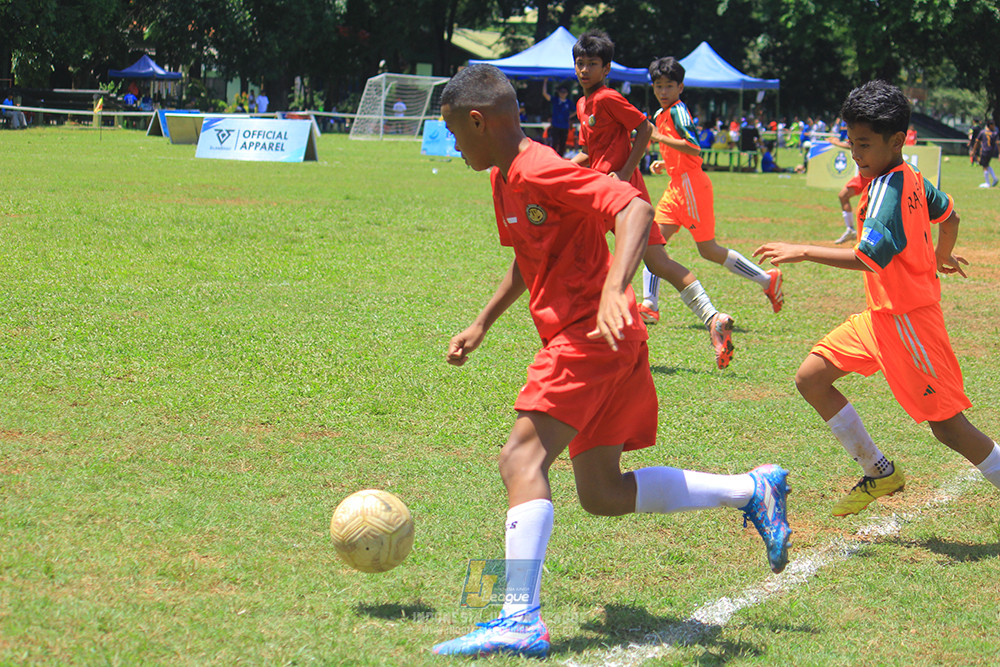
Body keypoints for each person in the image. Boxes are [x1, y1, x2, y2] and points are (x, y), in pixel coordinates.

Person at [431, 62, 791, 660]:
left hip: (592, 336)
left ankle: (519, 619)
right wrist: (482, 322)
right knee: (600, 492)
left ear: (478, 121)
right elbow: (528, 258)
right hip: (600, 337)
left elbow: (634, 210)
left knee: (520, 457)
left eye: (453, 131)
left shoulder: (539, 167)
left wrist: (612, 288)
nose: (453, 145)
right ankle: (751, 489)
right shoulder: (504, 178)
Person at [754, 80, 1000, 518]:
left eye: (864, 144)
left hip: (908, 322)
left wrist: (803, 250)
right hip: (879, 318)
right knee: (811, 378)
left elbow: (868, 257)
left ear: (897, 140)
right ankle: (879, 471)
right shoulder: (909, 176)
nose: (855, 153)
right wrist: (940, 254)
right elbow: (950, 216)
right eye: (851, 141)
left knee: (949, 428)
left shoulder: (888, 188)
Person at [570, 31, 739, 369]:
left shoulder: (607, 98)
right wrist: (559, 169)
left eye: (593, 64)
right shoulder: (583, 105)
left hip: (618, 194)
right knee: (659, 263)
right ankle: (713, 318)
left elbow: (644, 129)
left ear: (606, 69)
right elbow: (590, 153)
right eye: (580, 63)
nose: (585, 70)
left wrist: (624, 171)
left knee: (578, 253)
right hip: (614, 192)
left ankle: (590, 335)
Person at [644, 57, 784, 331]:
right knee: (652, 244)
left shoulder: (678, 111)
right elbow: (679, 149)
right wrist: (666, 161)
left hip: (691, 188)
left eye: (669, 86)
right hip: (676, 186)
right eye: (658, 86)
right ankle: (649, 306)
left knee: (708, 250)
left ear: (680, 87)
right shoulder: (661, 114)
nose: (663, 91)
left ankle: (767, 279)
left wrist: (658, 139)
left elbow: (694, 147)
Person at [541, 79, 573, 157]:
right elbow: (545, 94)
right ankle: (553, 156)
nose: (563, 94)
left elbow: (576, 110)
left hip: (564, 126)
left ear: (567, 93)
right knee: (554, 142)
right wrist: (545, 82)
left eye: (564, 92)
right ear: (559, 93)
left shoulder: (569, 102)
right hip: (555, 125)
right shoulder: (555, 100)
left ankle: (561, 157)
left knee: (562, 143)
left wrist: (569, 116)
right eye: (561, 92)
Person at [972, 120, 998, 188]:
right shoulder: (994, 133)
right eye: (993, 125)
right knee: (986, 164)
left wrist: (973, 150)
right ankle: (994, 178)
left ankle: (987, 183)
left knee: (984, 166)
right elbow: (998, 143)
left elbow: (977, 142)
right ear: (990, 125)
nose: (994, 126)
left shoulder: (982, 132)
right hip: (991, 151)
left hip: (985, 151)